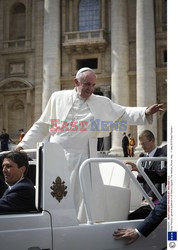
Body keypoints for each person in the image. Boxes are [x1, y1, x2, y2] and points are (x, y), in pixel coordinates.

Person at [15, 67, 164, 222]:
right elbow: (42, 125)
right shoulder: (57, 97)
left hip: (84, 158)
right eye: (87, 84)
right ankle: (53, 222)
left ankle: (82, 226)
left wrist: (145, 112)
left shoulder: (101, 102)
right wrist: (23, 145)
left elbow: (123, 113)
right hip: (56, 157)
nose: (91, 89)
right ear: (76, 82)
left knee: (83, 198)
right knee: (54, 194)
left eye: (93, 85)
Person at [126, 130, 167, 219]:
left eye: (144, 143)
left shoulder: (162, 156)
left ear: (152, 141)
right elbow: (143, 179)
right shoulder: (144, 158)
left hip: (157, 199)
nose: (143, 147)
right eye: (141, 144)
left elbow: (159, 177)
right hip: (146, 199)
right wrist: (138, 172)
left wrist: (151, 195)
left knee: (133, 217)